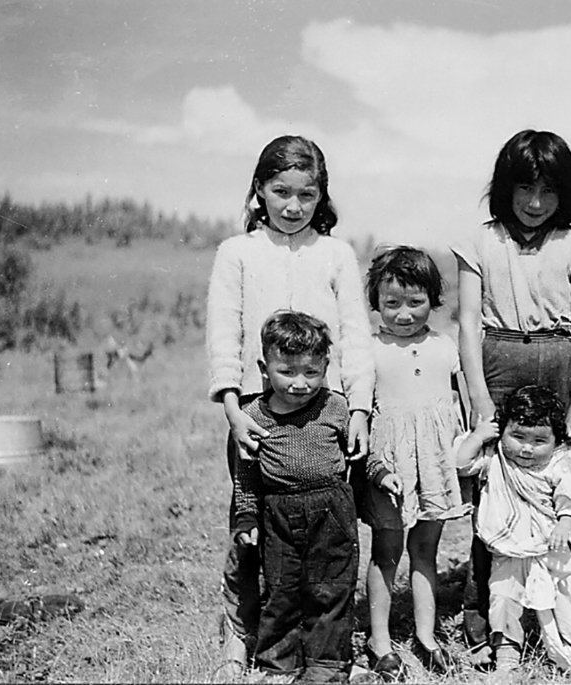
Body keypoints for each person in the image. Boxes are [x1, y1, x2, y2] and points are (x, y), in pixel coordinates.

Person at [206, 135, 374, 678]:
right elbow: (223, 333)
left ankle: (322, 642)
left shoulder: (336, 253)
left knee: (322, 533)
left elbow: (355, 335)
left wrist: (360, 412)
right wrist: (233, 409)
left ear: (321, 195)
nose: (293, 205)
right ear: (260, 190)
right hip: (257, 411)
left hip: (326, 408)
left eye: (306, 193)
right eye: (280, 191)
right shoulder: (237, 252)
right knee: (250, 526)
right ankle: (242, 635)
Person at [451, 129, 571, 658]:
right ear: (504, 188)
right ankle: (488, 619)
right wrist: (479, 397)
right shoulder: (478, 241)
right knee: (493, 488)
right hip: (496, 360)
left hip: (562, 361)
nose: (536, 203)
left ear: (566, 193)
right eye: (524, 189)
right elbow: (468, 322)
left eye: (549, 191)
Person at [233, 311, 359, 682]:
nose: (300, 384)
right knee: (281, 591)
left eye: (311, 372)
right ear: (264, 368)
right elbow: (246, 474)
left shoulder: (335, 406)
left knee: (331, 590)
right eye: (287, 372)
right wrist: (246, 516)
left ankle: (326, 665)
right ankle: (279, 665)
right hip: (278, 511)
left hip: (331, 509)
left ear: (326, 367)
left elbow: (358, 451)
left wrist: (379, 472)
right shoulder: (253, 415)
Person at [360, 246, 467, 681]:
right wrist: (375, 466)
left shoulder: (445, 345)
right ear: (376, 303)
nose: (404, 314)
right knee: (387, 551)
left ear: (433, 299)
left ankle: (426, 637)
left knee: (425, 550)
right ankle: (380, 641)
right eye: (392, 303)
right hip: (389, 467)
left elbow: (460, 403)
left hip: (434, 465)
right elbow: (360, 416)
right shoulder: (369, 350)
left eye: (415, 302)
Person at [455, 385, 571, 674]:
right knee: (504, 598)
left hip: (551, 547)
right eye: (517, 437)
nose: (527, 448)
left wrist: (565, 524)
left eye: (539, 440)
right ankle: (507, 653)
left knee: (565, 597)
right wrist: (479, 436)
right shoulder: (496, 458)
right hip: (508, 548)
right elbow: (461, 464)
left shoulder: (560, 459)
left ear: (556, 441)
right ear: (501, 432)